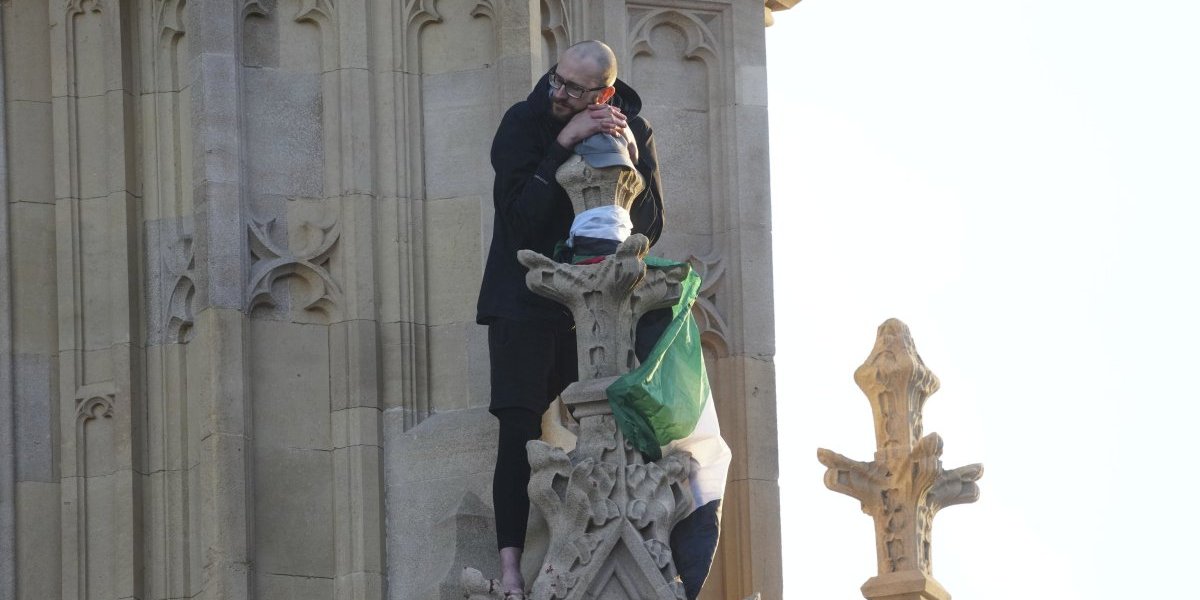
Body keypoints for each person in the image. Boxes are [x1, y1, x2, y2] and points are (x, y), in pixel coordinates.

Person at [476, 40, 664, 598]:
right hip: (523, 297)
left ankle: (627, 542)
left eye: (574, 90)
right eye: (557, 80)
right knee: (517, 428)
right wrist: (564, 142)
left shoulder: (632, 123)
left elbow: (651, 225)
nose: (558, 93)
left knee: (616, 416)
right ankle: (510, 571)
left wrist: (629, 156)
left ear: (603, 93)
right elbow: (518, 221)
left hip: (602, 302)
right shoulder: (524, 121)